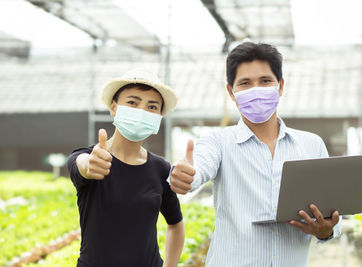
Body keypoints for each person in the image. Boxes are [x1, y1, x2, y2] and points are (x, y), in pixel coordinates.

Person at [169, 42, 342, 267]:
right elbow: (197, 168)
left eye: (265, 81)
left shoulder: (312, 145)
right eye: (245, 83)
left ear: (280, 86)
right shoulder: (218, 143)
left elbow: (331, 215)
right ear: (231, 92)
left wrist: (326, 230)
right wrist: (185, 175)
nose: (256, 90)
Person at [67, 69, 184, 267]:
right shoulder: (90, 157)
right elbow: (82, 165)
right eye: (132, 102)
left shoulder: (161, 169)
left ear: (158, 117)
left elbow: (176, 223)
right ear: (114, 108)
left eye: (152, 107)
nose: (141, 111)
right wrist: (89, 165)